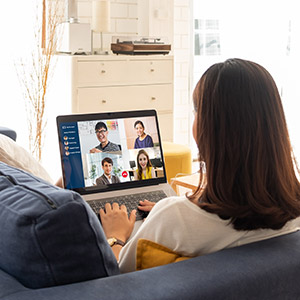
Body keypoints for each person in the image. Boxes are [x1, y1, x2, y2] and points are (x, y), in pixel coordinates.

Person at [99, 58, 300, 273]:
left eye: (197, 112)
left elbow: (118, 278)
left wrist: (115, 236)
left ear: (208, 129)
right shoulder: (293, 213)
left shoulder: (174, 218)